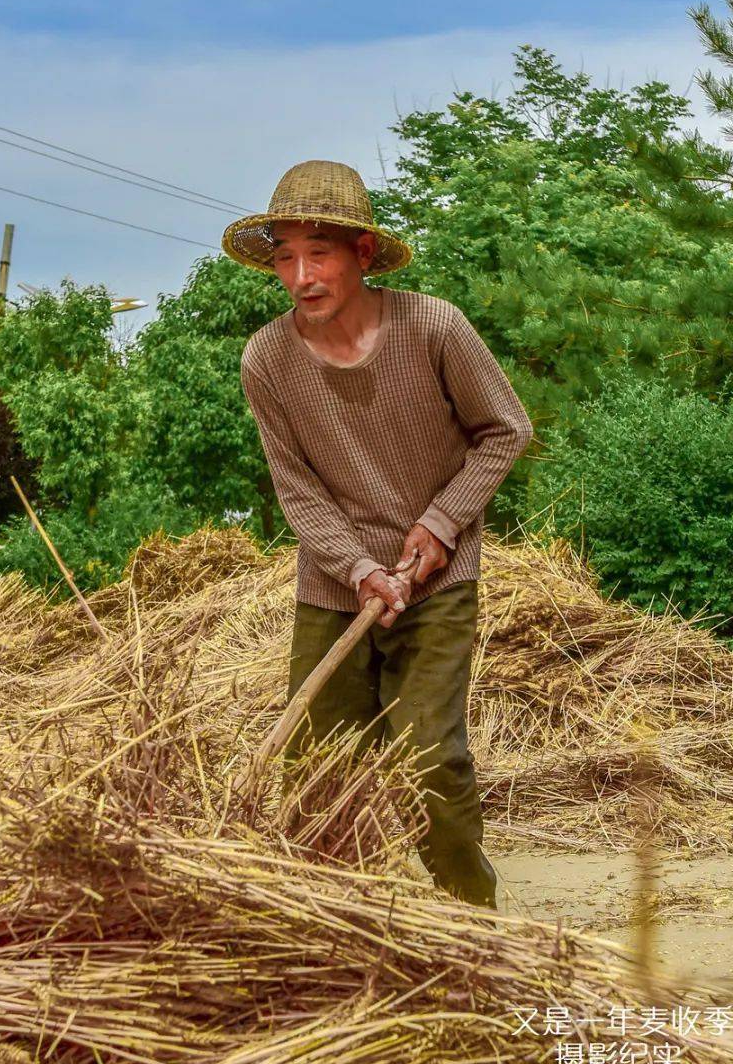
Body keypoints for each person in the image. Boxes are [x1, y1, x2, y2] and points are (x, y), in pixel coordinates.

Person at [222, 159, 534, 908]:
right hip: (335, 583)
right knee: (319, 766)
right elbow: (297, 490)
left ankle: (468, 914)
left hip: (438, 577)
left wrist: (439, 522)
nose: (301, 275)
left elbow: (505, 431)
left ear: (362, 254)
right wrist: (360, 567)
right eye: (285, 257)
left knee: (429, 757)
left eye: (319, 253)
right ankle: (338, 918)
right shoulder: (266, 358)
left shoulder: (434, 328)